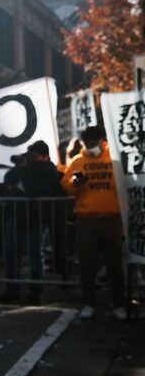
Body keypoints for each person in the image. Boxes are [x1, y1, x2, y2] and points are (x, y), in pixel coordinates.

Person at [61, 126, 127, 321]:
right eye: (87, 143)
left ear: (102, 140)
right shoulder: (77, 161)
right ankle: (89, 303)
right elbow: (66, 187)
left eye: (94, 142)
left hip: (111, 218)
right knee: (87, 265)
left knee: (114, 264)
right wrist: (75, 183)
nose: (91, 147)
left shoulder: (114, 158)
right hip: (86, 218)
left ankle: (119, 304)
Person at [0, 141, 63, 305]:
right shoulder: (25, 167)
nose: (30, 158)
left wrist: (26, 169)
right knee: (11, 255)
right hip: (17, 215)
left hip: (37, 218)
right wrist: (20, 166)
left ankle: (35, 293)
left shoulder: (50, 170)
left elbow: (35, 190)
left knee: (35, 256)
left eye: (33, 155)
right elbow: (8, 179)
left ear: (43, 156)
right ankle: (12, 290)